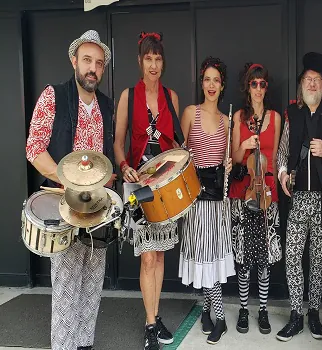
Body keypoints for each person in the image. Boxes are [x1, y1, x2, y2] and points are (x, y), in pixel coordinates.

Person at [25, 29, 116, 350]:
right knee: (65, 291)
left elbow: (107, 159)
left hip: (99, 210)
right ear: (74, 60)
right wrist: (67, 180)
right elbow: (34, 148)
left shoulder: (107, 106)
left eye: (99, 63)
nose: (93, 68)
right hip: (64, 207)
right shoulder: (54, 95)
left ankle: (85, 346)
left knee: (92, 288)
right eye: (87, 60)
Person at [113, 32, 182, 350]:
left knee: (161, 255)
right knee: (147, 259)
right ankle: (150, 324)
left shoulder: (172, 97)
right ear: (140, 61)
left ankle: (154, 314)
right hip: (137, 187)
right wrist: (124, 164)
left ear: (162, 62)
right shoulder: (129, 95)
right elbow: (118, 141)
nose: (153, 65)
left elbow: (177, 143)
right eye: (148, 59)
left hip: (164, 186)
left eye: (158, 59)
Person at [276, 52, 322, 342]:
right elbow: (281, 151)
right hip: (299, 198)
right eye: (307, 80)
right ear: (302, 84)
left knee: (317, 260)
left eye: (316, 80)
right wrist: (281, 174)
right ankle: (295, 313)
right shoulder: (293, 113)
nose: (312, 84)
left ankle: (314, 312)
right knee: (292, 256)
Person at [179, 56, 235, 345]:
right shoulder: (191, 112)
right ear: (201, 83)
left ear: (222, 84)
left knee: (210, 258)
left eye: (216, 80)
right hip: (194, 199)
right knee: (202, 257)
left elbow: (233, 161)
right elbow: (180, 155)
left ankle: (218, 317)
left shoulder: (228, 120)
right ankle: (210, 311)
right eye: (207, 79)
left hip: (217, 201)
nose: (211, 85)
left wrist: (229, 164)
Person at [228, 62, 282, 335]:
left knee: (263, 257)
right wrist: (244, 146)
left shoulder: (275, 117)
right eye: (254, 84)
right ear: (247, 87)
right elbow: (236, 158)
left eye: (262, 84)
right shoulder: (239, 117)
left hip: (267, 192)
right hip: (243, 192)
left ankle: (262, 309)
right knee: (243, 256)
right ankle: (242, 309)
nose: (258, 89)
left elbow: (278, 157)